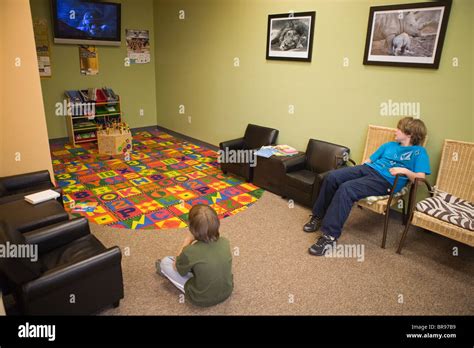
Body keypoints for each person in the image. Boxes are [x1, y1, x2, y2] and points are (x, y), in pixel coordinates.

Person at [303, 117, 431, 256]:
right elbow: (369, 160)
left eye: (399, 129)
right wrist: (359, 169)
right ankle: (318, 216)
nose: (395, 130)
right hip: (367, 169)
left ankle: (329, 236)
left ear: (410, 134)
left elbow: (419, 179)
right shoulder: (388, 145)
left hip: (385, 181)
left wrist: (405, 171)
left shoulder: (419, 152)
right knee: (332, 177)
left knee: (347, 188)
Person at [157, 204, 234, 307]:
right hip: (227, 290)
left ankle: (163, 271)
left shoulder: (190, 251)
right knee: (199, 263)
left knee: (166, 262)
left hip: (201, 298)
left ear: (191, 228)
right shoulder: (225, 242)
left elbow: (176, 266)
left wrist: (187, 241)